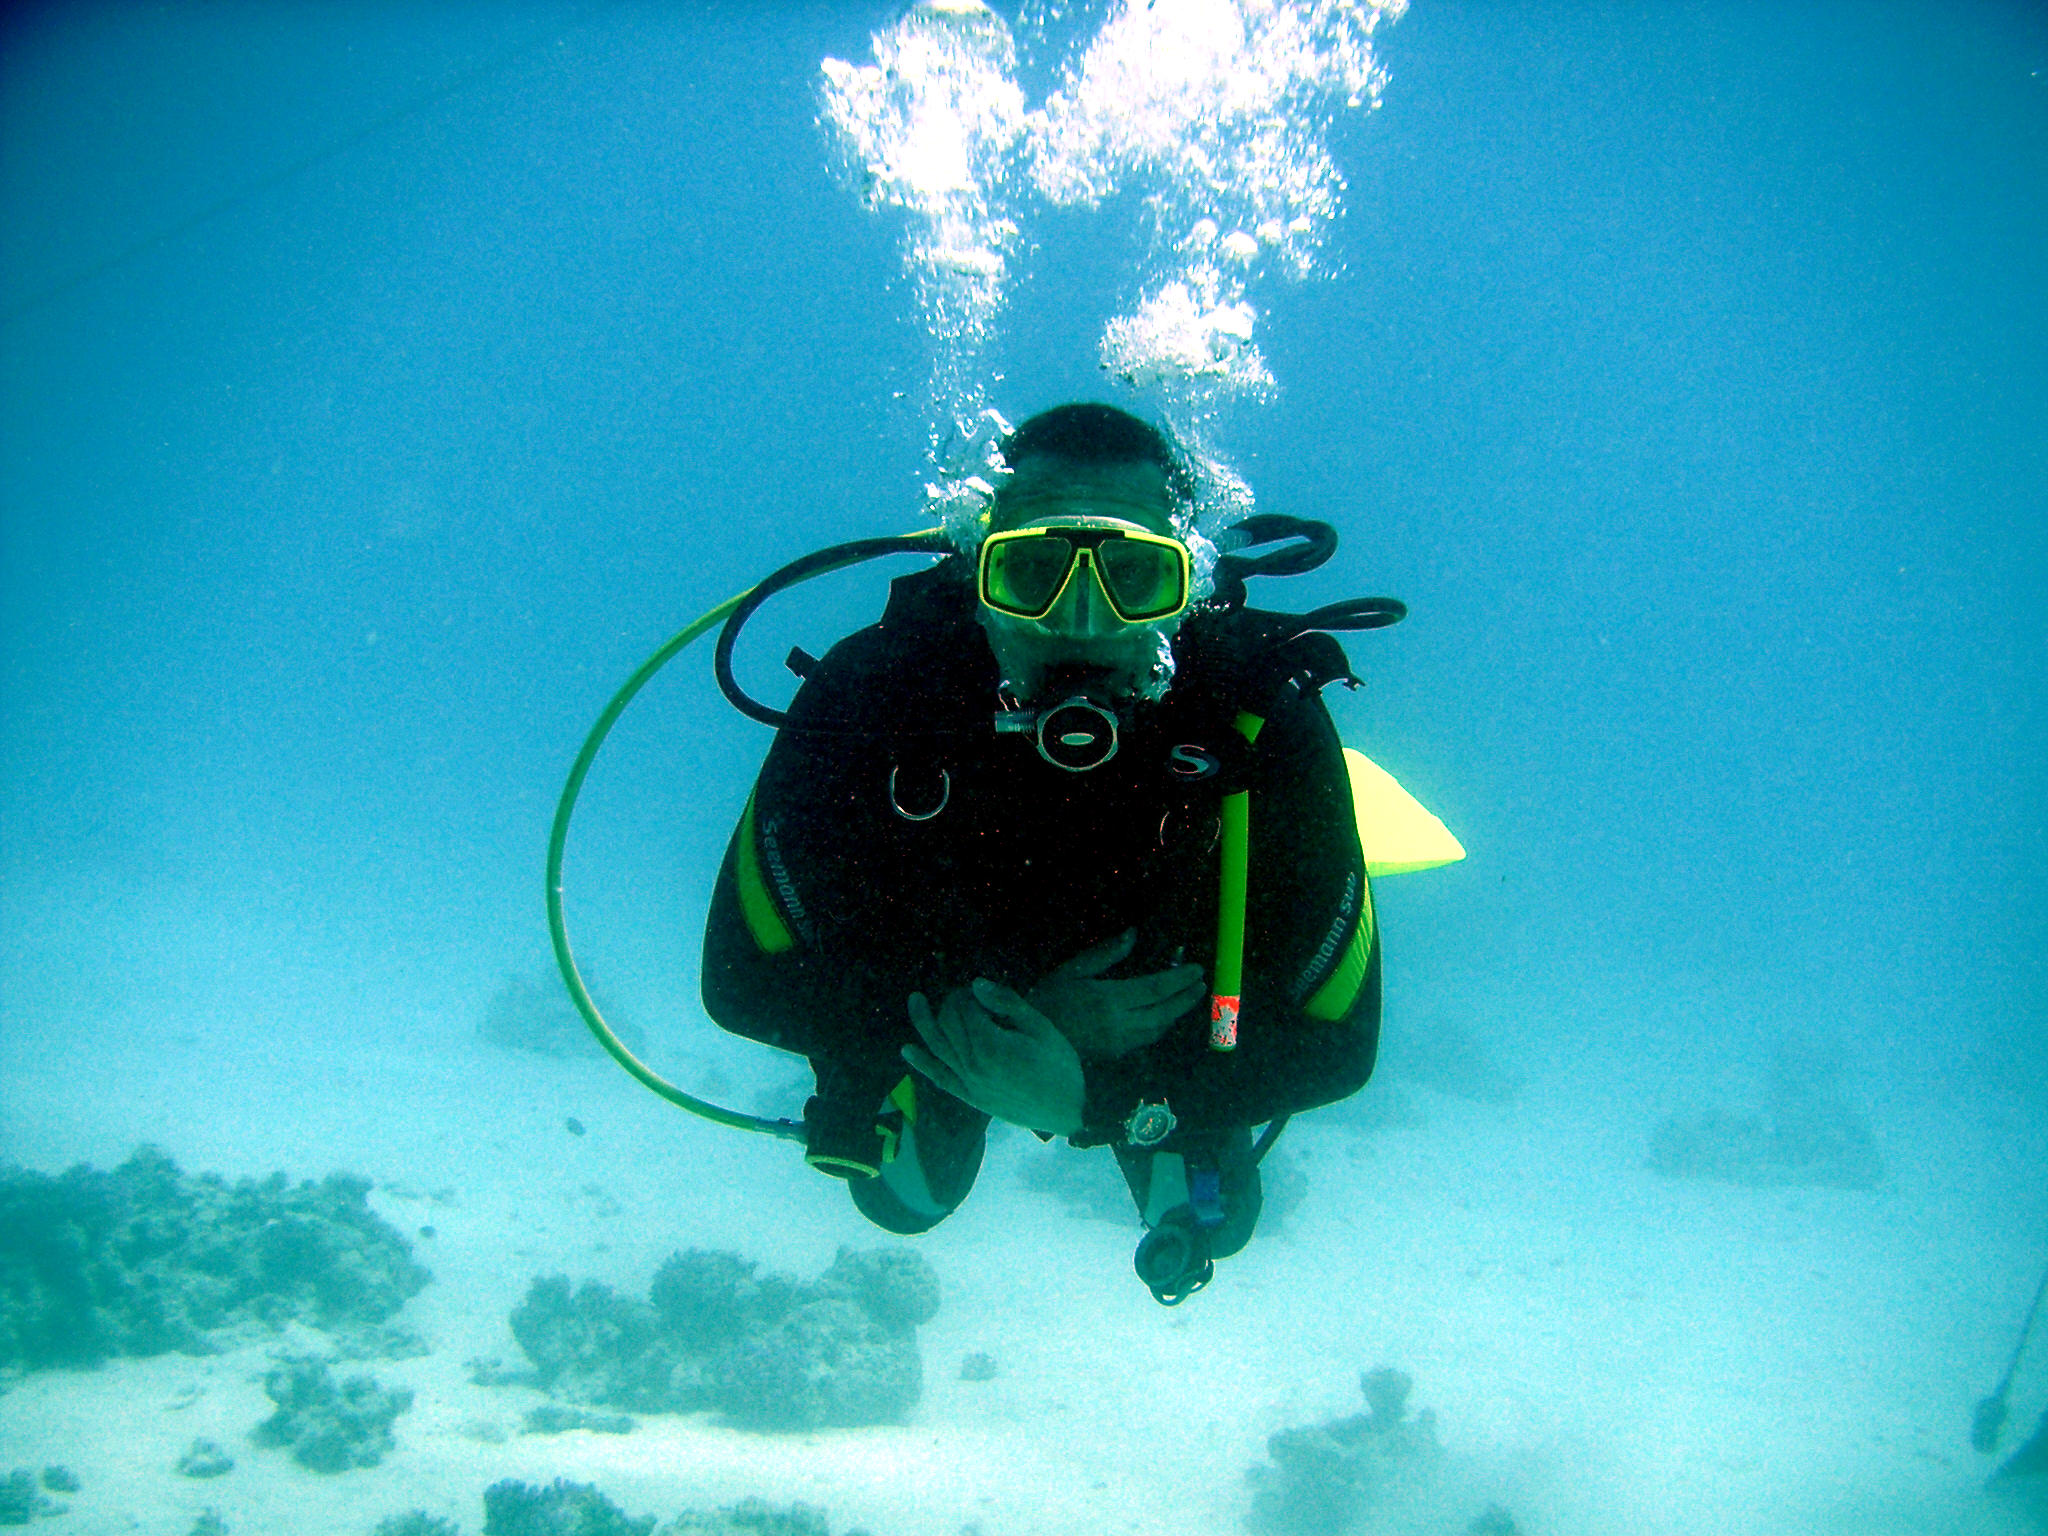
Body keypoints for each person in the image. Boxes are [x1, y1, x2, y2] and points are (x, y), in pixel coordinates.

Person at [700, 403, 1382, 1303]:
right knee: (899, 1201)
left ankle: (1066, 1101)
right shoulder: (872, 691)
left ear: (1187, 584)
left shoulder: (1262, 715)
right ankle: (964, 1090)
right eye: (1030, 571)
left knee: (1217, 1219)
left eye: (1135, 576)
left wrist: (1105, 1098)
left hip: (1154, 1045)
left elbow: (1341, 1047)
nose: (1082, 622)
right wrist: (1021, 1023)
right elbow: (742, 980)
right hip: (946, 1015)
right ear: (976, 573)